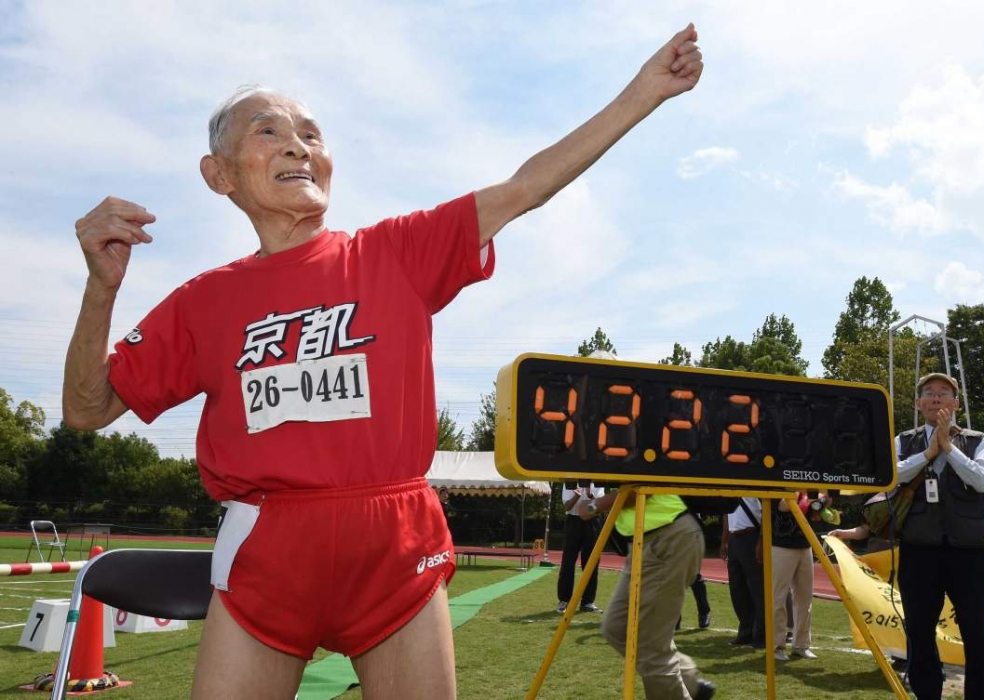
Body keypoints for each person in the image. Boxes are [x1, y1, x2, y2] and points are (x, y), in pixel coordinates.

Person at [61, 27, 704, 700]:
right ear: (218, 174)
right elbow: (87, 408)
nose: (298, 145)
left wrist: (646, 91)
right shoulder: (203, 303)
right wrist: (100, 289)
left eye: (311, 134)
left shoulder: (392, 254)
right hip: (267, 552)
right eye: (268, 131)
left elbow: (523, 188)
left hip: (395, 544)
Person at [895, 373, 984, 700]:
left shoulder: (977, 440)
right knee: (920, 632)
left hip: (969, 551)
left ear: (956, 404)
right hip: (919, 549)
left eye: (944, 393)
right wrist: (927, 454)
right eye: (929, 393)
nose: (936, 398)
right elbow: (891, 476)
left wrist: (947, 447)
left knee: (978, 634)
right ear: (918, 404)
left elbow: (982, 480)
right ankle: (927, 695)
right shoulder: (904, 440)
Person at [585, 490, 716, 700]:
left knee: (650, 644)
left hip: (668, 537)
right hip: (642, 543)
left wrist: (594, 505)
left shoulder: (625, 458)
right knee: (616, 628)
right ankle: (687, 680)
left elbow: (637, 486)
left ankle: (683, 686)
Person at [769, 494, 818, 661]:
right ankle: (776, 646)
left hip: (805, 545)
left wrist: (822, 502)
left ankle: (801, 645)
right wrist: (805, 496)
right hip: (781, 547)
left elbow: (816, 513)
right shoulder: (775, 486)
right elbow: (784, 505)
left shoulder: (807, 489)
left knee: (805, 598)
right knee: (778, 598)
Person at [721, 498, 766, 648]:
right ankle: (745, 632)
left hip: (751, 536)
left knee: (758, 589)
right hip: (735, 538)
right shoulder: (728, 488)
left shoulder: (754, 485)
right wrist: (724, 540)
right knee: (737, 589)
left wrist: (761, 540)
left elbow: (766, 513)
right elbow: (727, 515)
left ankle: (762, 636)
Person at [557, 481, 605, 613]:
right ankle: (564, 601)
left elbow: (599, 506)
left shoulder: (597, 482)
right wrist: (576, 496)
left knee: (591, 562)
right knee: (568, 562)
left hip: (592, 521)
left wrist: (590, 495)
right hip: (573, 521)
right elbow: (567, 506)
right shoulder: (570, 481)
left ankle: (588, 602)